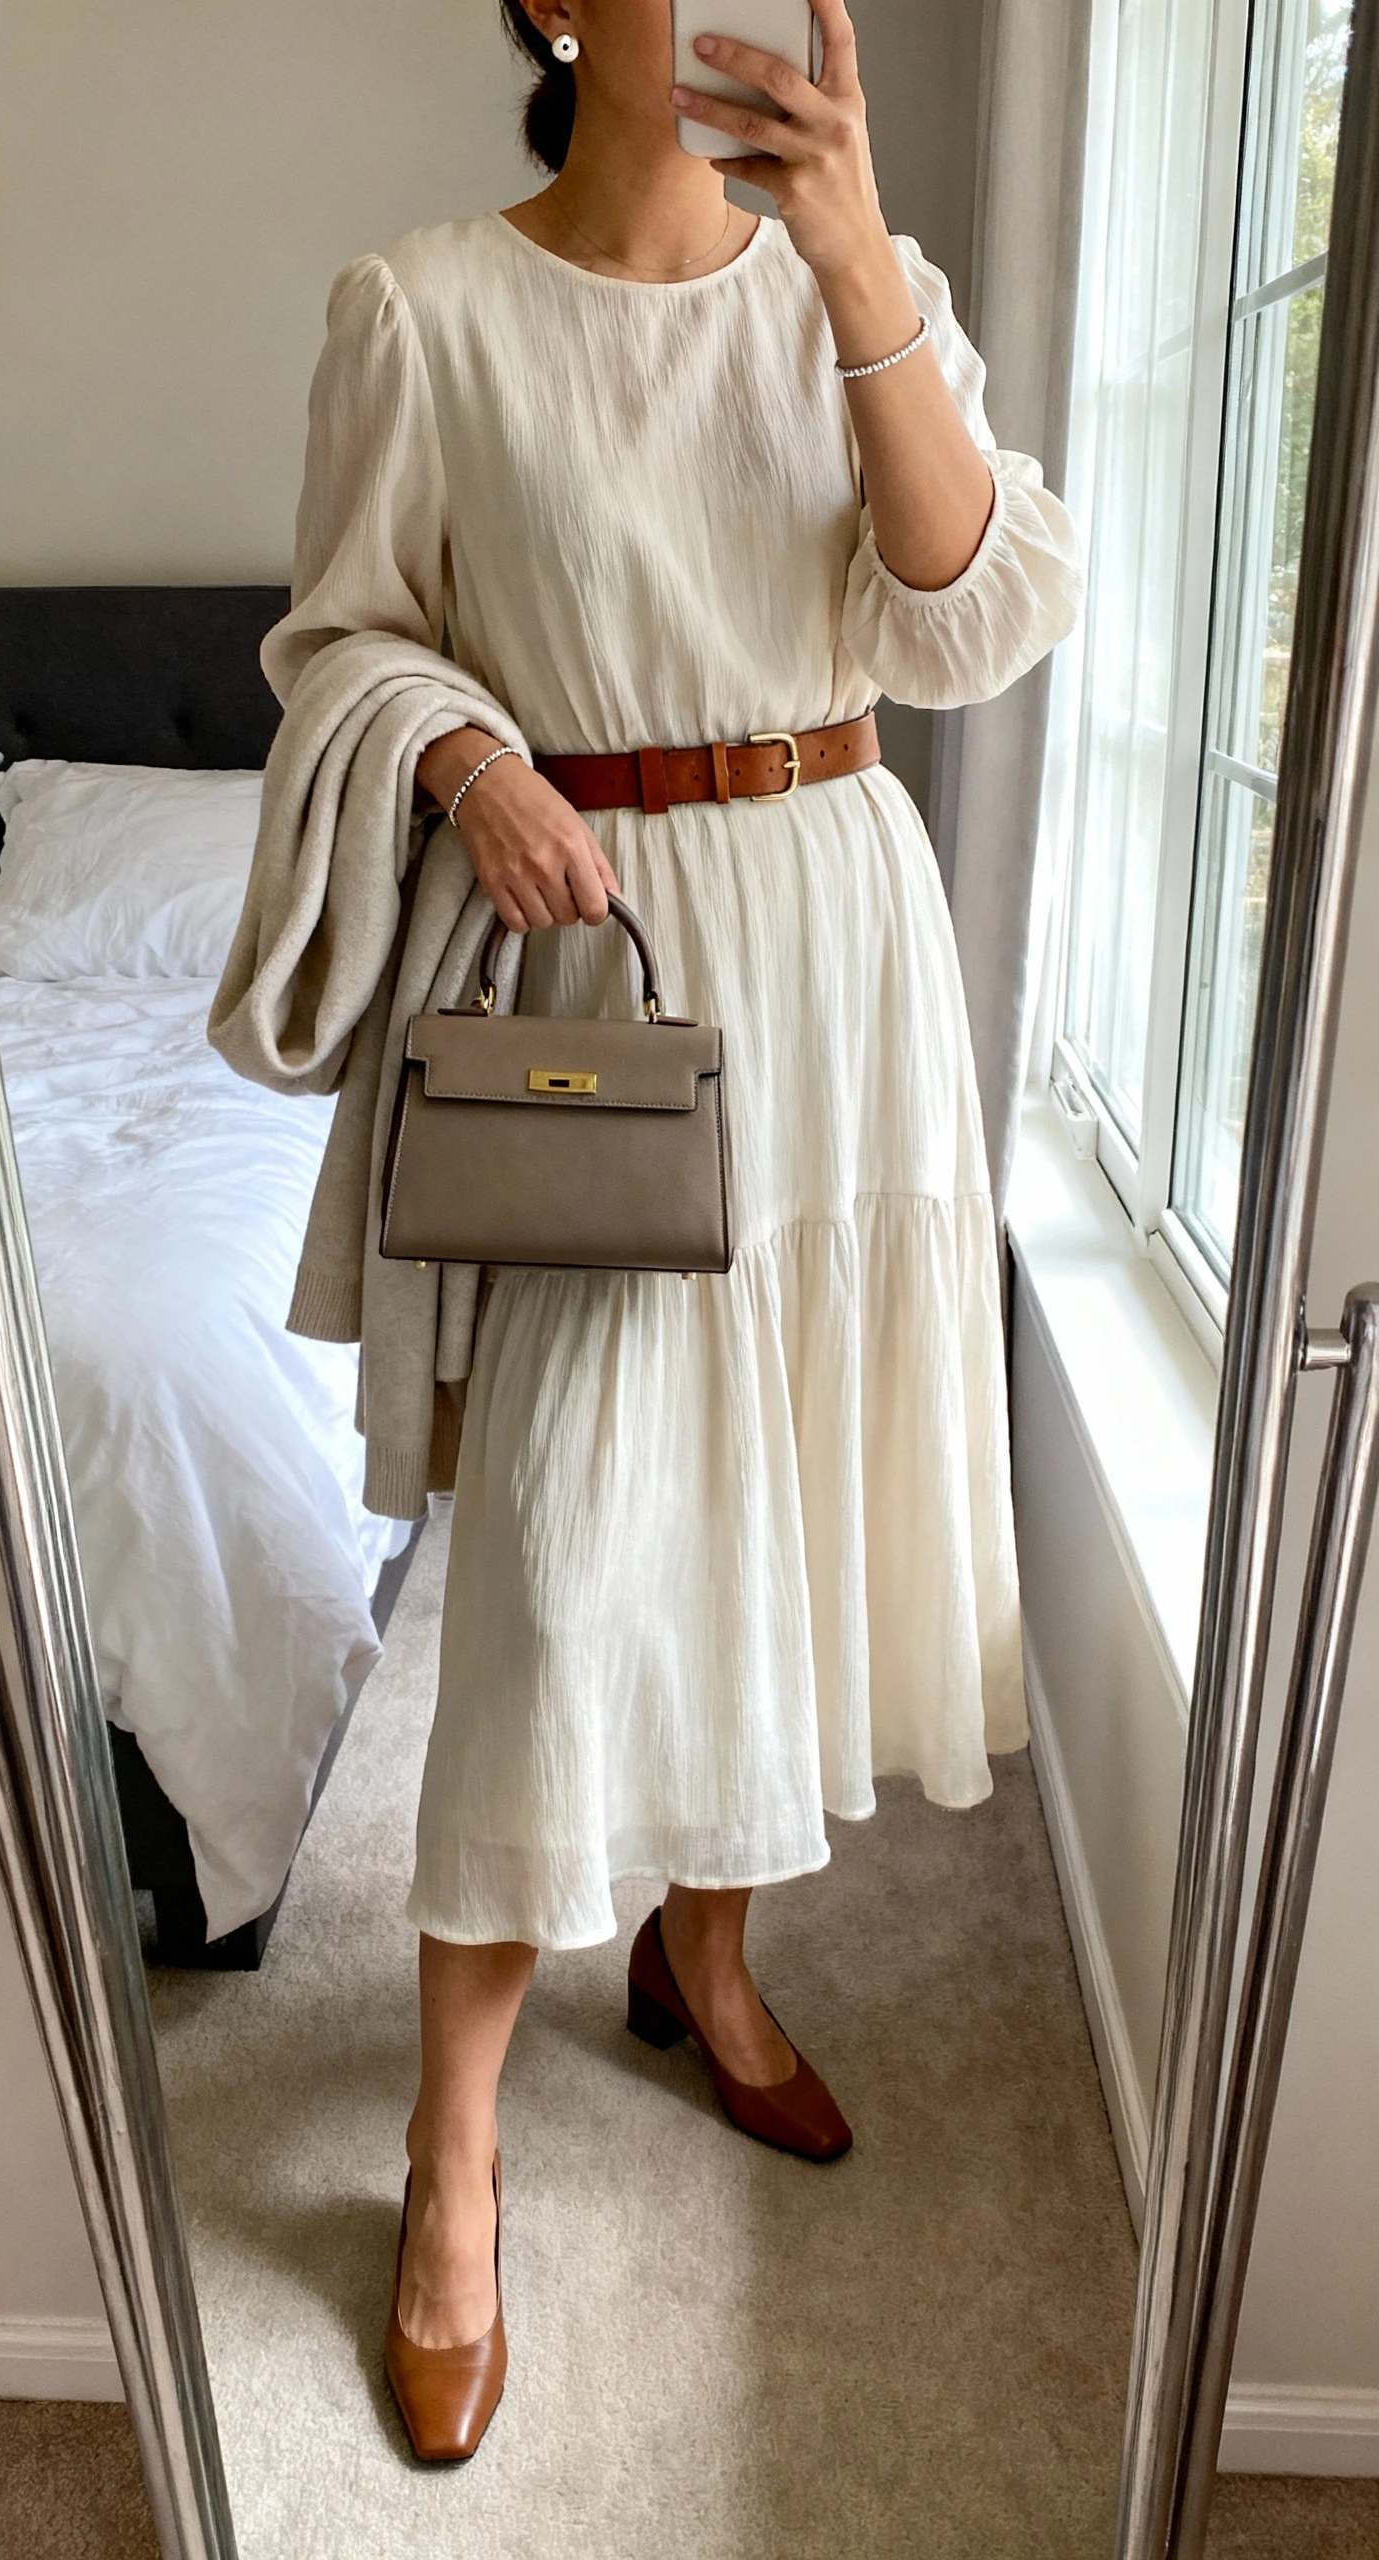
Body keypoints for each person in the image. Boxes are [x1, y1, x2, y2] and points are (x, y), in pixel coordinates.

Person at [260, 0, 1081, 2463]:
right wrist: (466, 746)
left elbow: (967, 605)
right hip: (603, 991)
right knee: (563, 1562)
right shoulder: (427, 309)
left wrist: (854, 270)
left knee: (799, 1521)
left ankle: (702, 1963)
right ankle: (453, 2159)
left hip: (843, 955)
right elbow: (335, 641)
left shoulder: (863, 274)